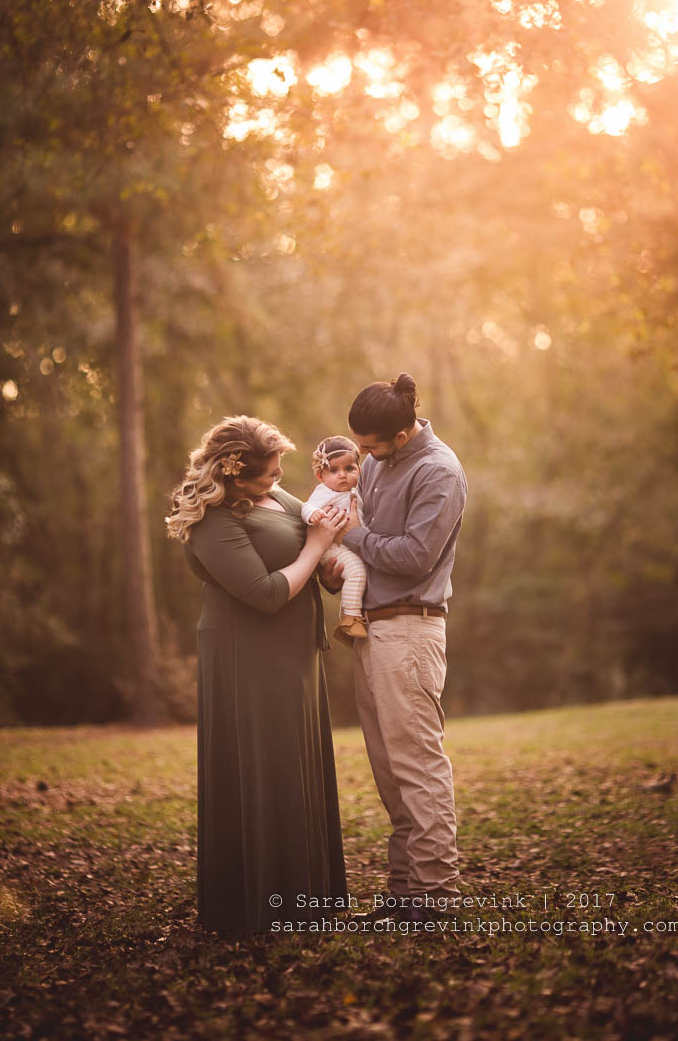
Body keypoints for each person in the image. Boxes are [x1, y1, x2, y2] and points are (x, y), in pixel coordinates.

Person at [166, 415, 349, 932]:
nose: (278, 479)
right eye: (268, 474)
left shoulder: (277, 497)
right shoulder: (212, 520)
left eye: (279, 470)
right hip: (248, 653)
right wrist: (316, 549)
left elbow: (312, 542)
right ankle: (265, 905)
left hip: (296, 653)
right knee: (266, 767)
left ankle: (312, 898)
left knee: (298, 764)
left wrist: (331, 567)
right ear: (233, 475)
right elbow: (267, 592)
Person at [335, 372, 468, 924]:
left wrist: (348, 534)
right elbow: (363, 529)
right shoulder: (377, 461)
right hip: (372, 628)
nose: (361, 458)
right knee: (389, 769)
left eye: (369, 447)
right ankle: (404, 891)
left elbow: (415, 556)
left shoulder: (439, 471)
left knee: (417, 762)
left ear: (404, 433)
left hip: (411, 629)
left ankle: (437, 893)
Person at [301, 436, 368, 645]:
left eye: (349, 469)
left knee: (356, 574)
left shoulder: (358, 492)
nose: (343, 476)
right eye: (334, 470)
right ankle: (351, 619)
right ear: (321, 476)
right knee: (357, 571)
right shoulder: (324, 492)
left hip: (349, 544)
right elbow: (306, 506)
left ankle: (349, 618)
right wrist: (312, 515)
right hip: (331, 547)